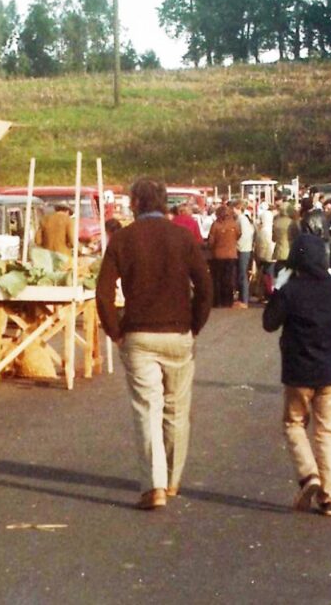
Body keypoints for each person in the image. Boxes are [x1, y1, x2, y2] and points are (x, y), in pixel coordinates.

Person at [95, 179, 212, 511]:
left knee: (148, 409)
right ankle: (173, 481)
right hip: (178, 334)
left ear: (134, 204)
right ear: (164, 203)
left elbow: (103, 292)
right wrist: (195, 325)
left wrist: (115, 331)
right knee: (176, 409)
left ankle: (154, 487)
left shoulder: (123, 239)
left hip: (139, 336)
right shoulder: (183, 237)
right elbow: (205, 285)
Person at [262, 232, 331, 517]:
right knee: (327, 432)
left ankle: (308, 475)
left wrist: (278, 290)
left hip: (298, 372)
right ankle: (330, 498)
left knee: (294, 424)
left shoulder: (291, 290)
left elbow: (269, 323)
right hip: (330, 372)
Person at [206, 204, 240, 308]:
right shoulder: (234, 224)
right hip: (231, 255)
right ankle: (228, 301)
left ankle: (217, 301)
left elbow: (211, 241)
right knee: (229, 279)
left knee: (217, 279)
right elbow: (238, 235)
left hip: (218, 255)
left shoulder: (215, 225)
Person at [232, 199, 255, 308]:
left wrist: (237, 245)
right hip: (245, 248)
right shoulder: (243, 219)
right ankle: (242, 298)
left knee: (242, 274)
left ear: (238, 209)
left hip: (243, 249)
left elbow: (245, 235)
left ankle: (244, 300)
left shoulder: (241, 219)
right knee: (242, 274)